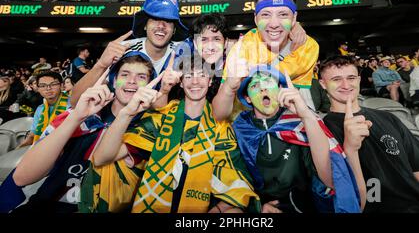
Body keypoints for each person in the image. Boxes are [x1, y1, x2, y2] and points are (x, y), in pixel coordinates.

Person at [91, 55, 259, 213]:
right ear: (180, 82)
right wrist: (126, 113)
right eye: (188, 76)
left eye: (202, 75)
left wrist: (218, 210)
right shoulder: (161, 118)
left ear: (210, 81)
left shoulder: (221, 127)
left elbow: (238, 182)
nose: (195, 81)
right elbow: (100, 158)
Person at [1, 53, 156, 213]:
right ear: (114, 81)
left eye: (141, 77)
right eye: (125, 74)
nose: (131, 81)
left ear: (150, 85)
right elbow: (21, 177)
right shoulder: (78, 114)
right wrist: (76, 117)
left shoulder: (147, 128)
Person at [319, 55, 419, 212]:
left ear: (359, 80)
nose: (346, 85)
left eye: (351, 77)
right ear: (323, 84)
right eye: (336, 79)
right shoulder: (321, 129)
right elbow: (340, 194)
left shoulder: (388, 118)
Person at [232, 65, 360, 213]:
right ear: (247, 98)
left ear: (281, 90)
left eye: (268, 83)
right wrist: (256, 206)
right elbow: (236, 175)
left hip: (302, 205)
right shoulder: (240, 128)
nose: (263, 89)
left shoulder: (300, 120)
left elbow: (330, 178)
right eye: (255, 85)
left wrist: (306, 116)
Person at [70, 0, 187, 107]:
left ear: (174, 30)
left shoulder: (185, 51)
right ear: (145, 25)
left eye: (168, 21)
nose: (161, 25)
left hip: (163, 120)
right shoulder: (123, 50)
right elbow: (75, 102)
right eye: (155, 19)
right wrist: (100, 65)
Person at [213, 0, 313, 121]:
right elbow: (219, 114)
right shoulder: (243, 47)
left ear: (294, 18)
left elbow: (303, 103)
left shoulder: (308, 47)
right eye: (266, 14)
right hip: (244, 129)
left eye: (283, 14)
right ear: (256, 18)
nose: (274, 23)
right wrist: (229, 88)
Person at [18, 71, 70, 148]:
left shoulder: (72, 105)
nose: (48, 88)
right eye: (43, 86)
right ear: (38, 89)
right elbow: (33, 135)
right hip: (43, 149)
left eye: (53, 84)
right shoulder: (40, 109)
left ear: (62, 86)